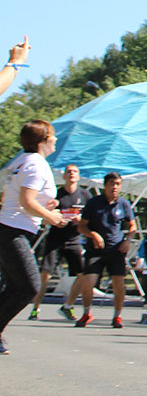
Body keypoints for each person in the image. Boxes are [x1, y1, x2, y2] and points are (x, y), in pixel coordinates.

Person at [0, 119, 69, 354]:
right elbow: (26, 202)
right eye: (53, 135)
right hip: (12, 231)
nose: (56, 139)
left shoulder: (22, 161)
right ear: (43, 140)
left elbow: (12, 198)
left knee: (14, 286)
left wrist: (46, 205)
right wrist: (51, 216)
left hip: (9, 229)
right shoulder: (36, 164)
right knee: (30, 286)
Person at [72, 171, 136, 328]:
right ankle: (87, 313)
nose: (114, 187)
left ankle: (117, 316)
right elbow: (81, 226)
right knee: (88, 282)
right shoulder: (94, 203)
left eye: (117, 184)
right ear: (105, 185)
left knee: (119, 284)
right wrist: (93, 234)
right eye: (111, 184)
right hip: (96, 249)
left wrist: (128, 240)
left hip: (116, 250)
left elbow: (132, 225)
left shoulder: (124, 204)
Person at [29, 162, 90, 321]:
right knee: (45, 275)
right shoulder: (56, 193)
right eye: (68, 172)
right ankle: (35, 308)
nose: (71, 174)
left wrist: (81, 219)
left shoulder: (84, 196)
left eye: (74, 171)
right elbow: (44, 216)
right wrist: (53, 216)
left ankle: (68, 306)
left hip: (74, 239)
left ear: (78, 176)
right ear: (64, 176)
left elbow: (90, 218)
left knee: (83, 275)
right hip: (55, 239)